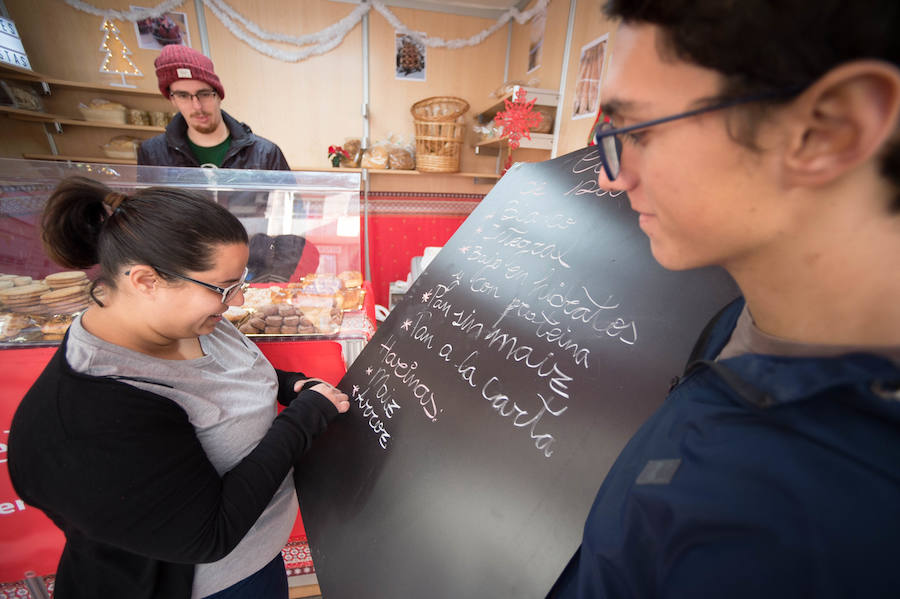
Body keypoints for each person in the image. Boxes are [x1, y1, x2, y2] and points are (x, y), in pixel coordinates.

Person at [551, 0, 899, 596]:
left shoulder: (831, 531)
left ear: (828, 129)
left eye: (640, 131)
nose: (611, 175)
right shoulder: (743, 314)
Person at [8, 176, 350, 599]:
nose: (238, 301)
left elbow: (228, 375)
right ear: (145, 281)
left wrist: (290, 385)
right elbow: (210, 534)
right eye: (225, 288)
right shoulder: (91, 413)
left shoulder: (191, 321)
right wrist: (304, 419)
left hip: (259, 556)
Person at [137, 44, 289, 170]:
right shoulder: (153, 153)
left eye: (204, 94)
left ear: (219, 95)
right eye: (183, 96)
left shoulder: (265, 154)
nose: (197, 106)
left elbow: (289, 204)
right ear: (172, 99)